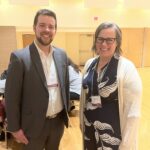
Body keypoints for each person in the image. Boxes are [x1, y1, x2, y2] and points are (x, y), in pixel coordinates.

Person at [5, 9, 70, 150]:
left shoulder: (62, 55)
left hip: (57, 124)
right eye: (42, 25)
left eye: (51, 26)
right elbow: (11, 97)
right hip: (31, 126)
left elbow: (65, 87)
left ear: (55, 30)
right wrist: (15, 128)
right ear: (34, 27)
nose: (47, 30)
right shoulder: (20, 58)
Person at [79, 22, 142, 150]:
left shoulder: (127, 68)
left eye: (109, 40)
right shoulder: (89, 64)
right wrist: (81, 122)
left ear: (117, 42)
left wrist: (126, 143)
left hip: (113, 135)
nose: (103, 44)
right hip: (90, 130)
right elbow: (83, 98)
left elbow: (133, 112)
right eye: (100, 39)